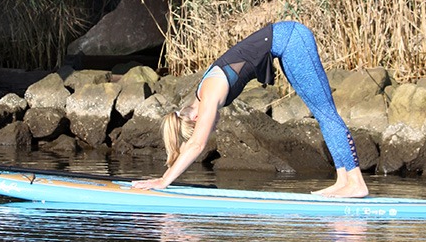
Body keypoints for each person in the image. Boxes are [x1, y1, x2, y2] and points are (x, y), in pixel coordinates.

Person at [132, 21, 369, 198]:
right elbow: (193, 142)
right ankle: (343, 180)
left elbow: (197, 144)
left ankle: (355, 181)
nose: (212, 124)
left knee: (326, 112)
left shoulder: (210, 93)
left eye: (205, 124)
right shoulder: (204, 89)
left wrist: (164, 181)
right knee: (322, 113)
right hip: (287, 43)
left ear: (194, 117)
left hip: (292, 38)